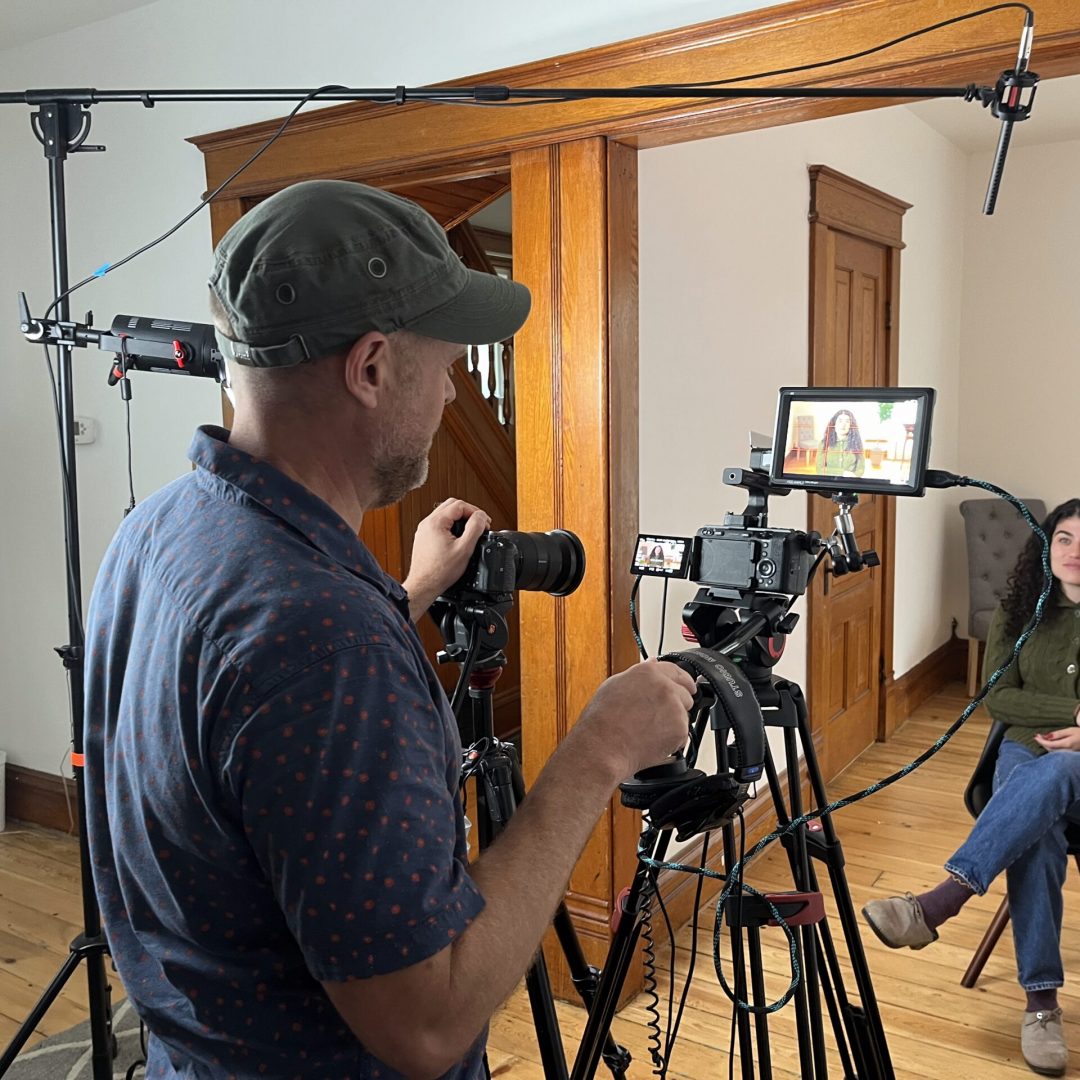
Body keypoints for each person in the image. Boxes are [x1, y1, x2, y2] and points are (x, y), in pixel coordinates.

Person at [84, 180, 696, 1080]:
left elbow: (243, 721)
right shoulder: (326, 644)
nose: (453, 391)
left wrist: (402, 593)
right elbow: (427, 1023)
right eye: (444, 361)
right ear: (370, 367)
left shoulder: (159, 531)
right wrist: (598, 750)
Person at [862, 498, 1080, 1078]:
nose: (1075, 551)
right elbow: (999, 696)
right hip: (1022, 752)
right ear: (1047, 545)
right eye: (1065, 538)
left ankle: (942, 901)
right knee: (1040, 831)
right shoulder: (1020, 609)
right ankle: (1040, 1006)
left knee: (1060, 776)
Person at [816, 408, 865, 477]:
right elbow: (820, 469)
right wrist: (843, 473)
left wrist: (854, 478)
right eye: (840, 421)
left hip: (850, 483)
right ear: (834, 424)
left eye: (847, 422)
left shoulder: (857, 444)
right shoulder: (824, 443)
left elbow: (860, 469)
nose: (843, 425)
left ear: (851, 426)